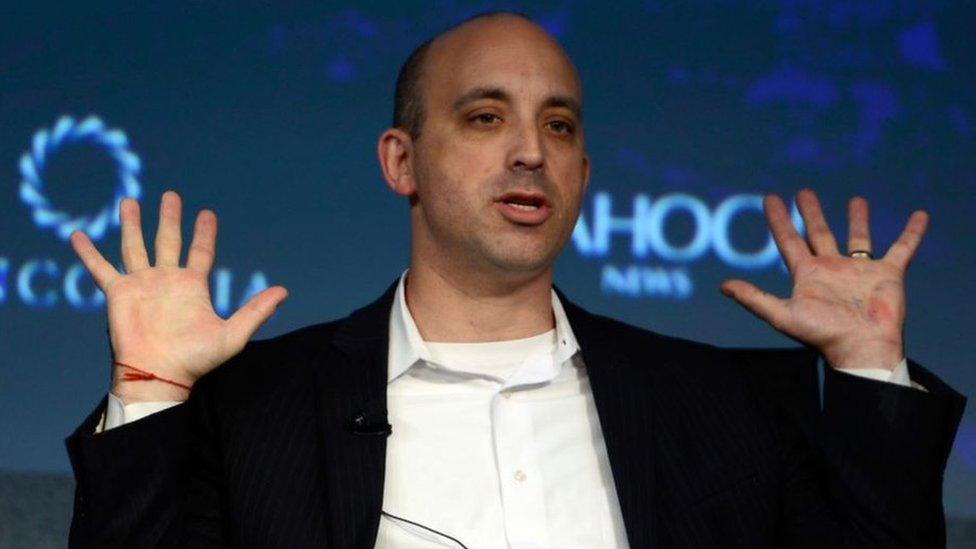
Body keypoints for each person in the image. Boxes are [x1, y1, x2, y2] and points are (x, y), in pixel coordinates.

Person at [64, 12, 965, 548]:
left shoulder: (725, 406)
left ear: (581, 171)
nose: (531, 150)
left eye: (560, 126)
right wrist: (149, 392)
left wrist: (865, 369)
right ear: (401, 160)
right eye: (486, 116)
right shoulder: (253, 407)